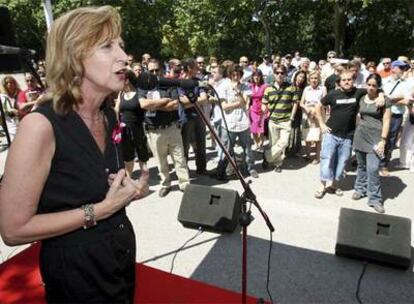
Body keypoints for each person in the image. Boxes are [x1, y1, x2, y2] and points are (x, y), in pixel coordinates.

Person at [0, 6, 149, 303]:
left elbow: (94, 183)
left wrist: (127, 189)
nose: (123, 56)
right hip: (76, 278)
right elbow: (13, 229)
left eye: (121, 45)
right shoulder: (39, 127)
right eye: (108, 46)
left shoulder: (107, 115)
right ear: (74, 57)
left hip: (119, 262)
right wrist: (100, 211)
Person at [314, 70, 382, 199]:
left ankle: (334, 185)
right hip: (331, 133)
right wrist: (322, 124)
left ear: (353, 81)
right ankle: (322, 185)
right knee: (327, 159)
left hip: (348, 136)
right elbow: (318, 106)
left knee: (342, 162)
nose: (347, 82)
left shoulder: (358, 92)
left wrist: (382, 95)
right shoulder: (333, 94)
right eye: (344, 80)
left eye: (349, 79)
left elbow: (374, 89)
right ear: (339, 82)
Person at [138, 59, 190, 197]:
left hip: (172, 127)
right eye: (151, 71)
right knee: (161, 161)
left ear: (161, 70)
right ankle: (165, 184)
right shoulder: (143, 87)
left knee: (179, 158)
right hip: (154, 130)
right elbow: (143, 104)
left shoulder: (168, 84)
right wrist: (163, 102)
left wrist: (153, 105)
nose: (154, 73)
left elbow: (174, 105)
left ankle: (184, 183)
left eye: (157, 70)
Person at [352, 74, 391, 213]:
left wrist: (383, 140)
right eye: (369, 84)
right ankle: (360, 189)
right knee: (361, 165)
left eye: (374, 85)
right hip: (360, 136)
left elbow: (386, 121)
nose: (371, 88)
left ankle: (375, 198)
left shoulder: (384, 100)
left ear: (378, 86)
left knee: (373, 168)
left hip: (376, 139)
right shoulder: (362, 98)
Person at [261, 65, 299, 173]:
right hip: (273, 120)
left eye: (282, 73)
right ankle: (277, 163)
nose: (279, 75)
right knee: (274, 143)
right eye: (277, 73)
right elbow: (264, 104)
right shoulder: (268, 89)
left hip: (286, 120)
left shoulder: (291, 88)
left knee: (284, 142)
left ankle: (267, 157)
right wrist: (264, 110)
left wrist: (292, 117)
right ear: (274, 74)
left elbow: (296, 103)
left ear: (285, 74)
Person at [116, 70, 150, 176]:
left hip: (138, 128)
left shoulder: (139, 93)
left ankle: (144, 179)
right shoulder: (121, 94)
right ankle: (129, 180)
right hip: (124, 129)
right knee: (127, 157)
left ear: (127, 80)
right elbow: (117, 109)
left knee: (142, 156)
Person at [300, 71, 326, 164]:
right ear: (309, 80)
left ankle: (317, 156)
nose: (314, 80)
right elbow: (301, 103)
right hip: (307, 113)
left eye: (315, 78)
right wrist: (306, 108)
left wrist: (315, 110)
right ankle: (308, 155)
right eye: (312, 78)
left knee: (317, 136)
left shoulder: (322, 89)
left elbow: (325, 102)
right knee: (307, 134)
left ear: (318, 79)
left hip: (318, 113)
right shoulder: (306, 89)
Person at [248, 70, 267, 149]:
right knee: (254, 128)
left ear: (261, 77)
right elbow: (248, 98)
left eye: (258, 75)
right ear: (252, 77)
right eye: (255, 75)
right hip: (253, 109)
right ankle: (256, 142)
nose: (256, 77)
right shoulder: (250, 86)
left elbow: (267, 98)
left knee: (261, 127)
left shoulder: (265, 86)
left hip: (262, 109)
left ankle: (261, 143)